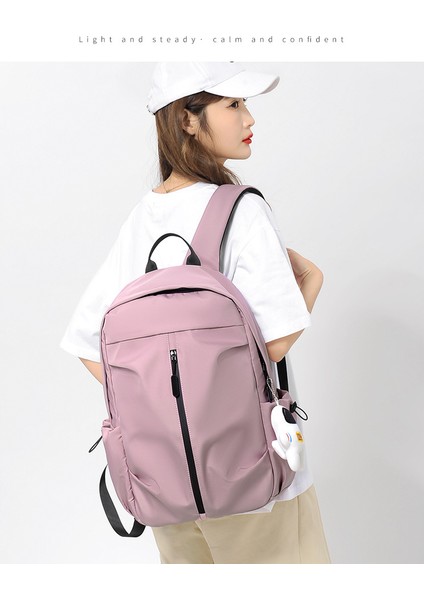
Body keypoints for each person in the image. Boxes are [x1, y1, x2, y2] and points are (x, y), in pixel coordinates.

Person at [59, 61, 331, 564]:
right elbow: (271, 345)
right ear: (186, 118)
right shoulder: (242, 208)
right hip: (252, 476)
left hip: (163, 485)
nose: (249, 118)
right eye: (233, 104)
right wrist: (311, 285)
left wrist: (163, 413)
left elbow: (87, 344)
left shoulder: (143, 216)